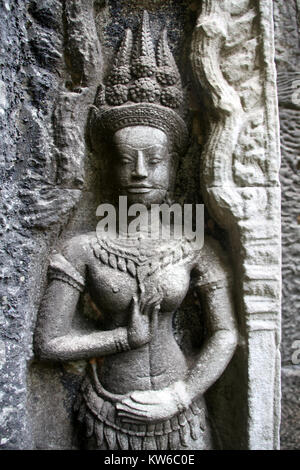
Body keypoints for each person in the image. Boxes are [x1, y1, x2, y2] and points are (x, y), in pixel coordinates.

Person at [34, 12, 238, 450]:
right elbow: (49, 343)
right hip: (106, 413)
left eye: (154, 159)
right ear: (109, 164)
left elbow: (225, 333)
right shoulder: (83, 248)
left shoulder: (193, 244)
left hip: (179, 414)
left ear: (175, 163)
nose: (140, 172)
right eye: (127, 159)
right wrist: (121, 337)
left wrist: (181, 394)